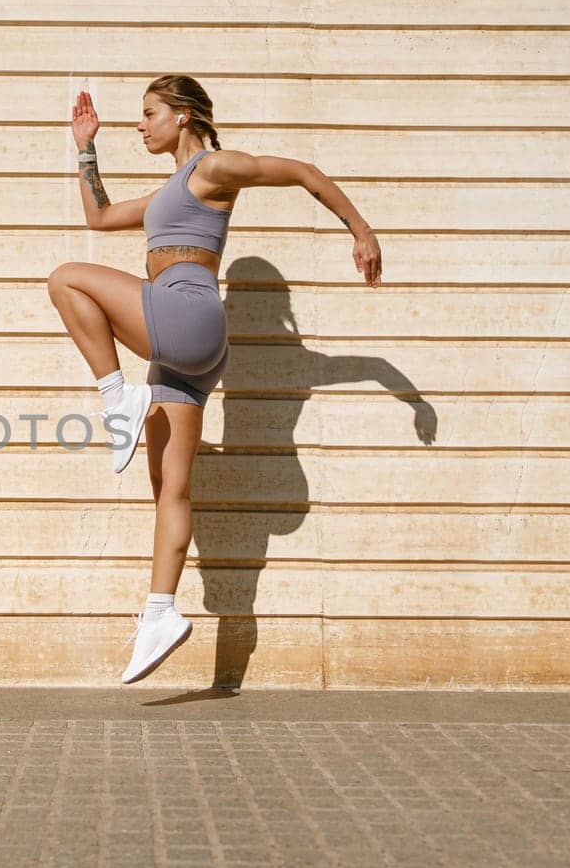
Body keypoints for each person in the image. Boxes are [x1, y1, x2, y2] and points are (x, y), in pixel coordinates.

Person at [46, 74, 383, 684]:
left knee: (67, 278)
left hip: (188, 317)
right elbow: (98, 217)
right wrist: (85, 147)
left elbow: (303, 171)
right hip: (186, 351)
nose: (140, 124)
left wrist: (359, 229)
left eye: (149, 113)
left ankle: (115, 397)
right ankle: (160, 612)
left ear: (182, 115)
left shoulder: (212, 168)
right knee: (168, 487)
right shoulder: (168, 192)